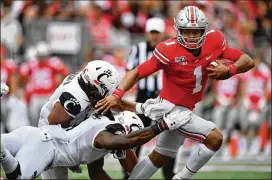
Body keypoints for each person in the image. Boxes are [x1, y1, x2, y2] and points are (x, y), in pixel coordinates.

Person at [96, 5, 255, 179]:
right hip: (172, 109)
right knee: (215, 138)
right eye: (186, 31)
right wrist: (117, 94)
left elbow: (246, 60)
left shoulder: (214, 40)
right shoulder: (168, 49)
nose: (192, 36)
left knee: (159, 157)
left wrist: (229, 70)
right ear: (178, 30)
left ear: (205, 30)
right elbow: (136, 72)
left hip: (187, 108)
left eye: (196, 31)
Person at [0, 83, 188, 180]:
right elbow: (124, 142)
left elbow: (97, 173)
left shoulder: (104, 132)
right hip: (44, 147)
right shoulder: (106, 134)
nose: (132, 145)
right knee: (17, 177)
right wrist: (160, 126)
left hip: (34, 135)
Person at [126, 17, 175, 180]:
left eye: (157, 33)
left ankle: (168, 174)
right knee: (136, 135)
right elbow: (129, 72)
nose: (154, 36)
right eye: (152, 32)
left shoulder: (170, 49)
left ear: (162, 34)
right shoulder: (138, 49)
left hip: (164, 96)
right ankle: (129, 173)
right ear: (147, 33)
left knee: (168, 136)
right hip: (143, 96)